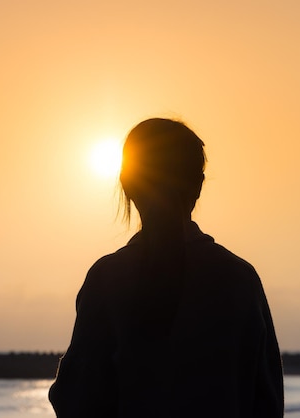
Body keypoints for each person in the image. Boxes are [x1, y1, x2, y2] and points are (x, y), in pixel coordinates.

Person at [49, 118, 283, 417]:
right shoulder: (239, 280)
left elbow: (76, 401)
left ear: (127, 183)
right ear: (197, 186)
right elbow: (268, 403)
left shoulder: (108, 280)